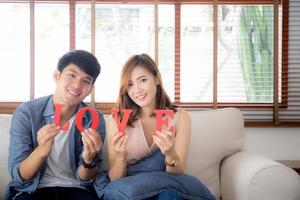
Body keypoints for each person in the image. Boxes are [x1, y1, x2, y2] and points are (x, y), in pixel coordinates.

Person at [94, 54, 215, 200]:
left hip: (166, 186)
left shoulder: (180, 117)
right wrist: (120, 157)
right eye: (130, 84)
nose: (137, 90)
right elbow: (115, 180)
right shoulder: (118, 119)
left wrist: (170, 153)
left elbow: (177, 176)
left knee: (169, 195)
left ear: (157, 78)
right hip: (130, 191)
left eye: (143, 80)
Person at [5, 50, 106, 200]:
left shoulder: (94, 118)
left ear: (90, 88)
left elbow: (85, 179)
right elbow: (20, 176)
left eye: (86, 81)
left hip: (77, 190)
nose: (77, 85)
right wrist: (41, 150)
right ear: (57, 76)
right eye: (71, 75)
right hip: (33, 190)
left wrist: (89, 159)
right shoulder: (26, 113)